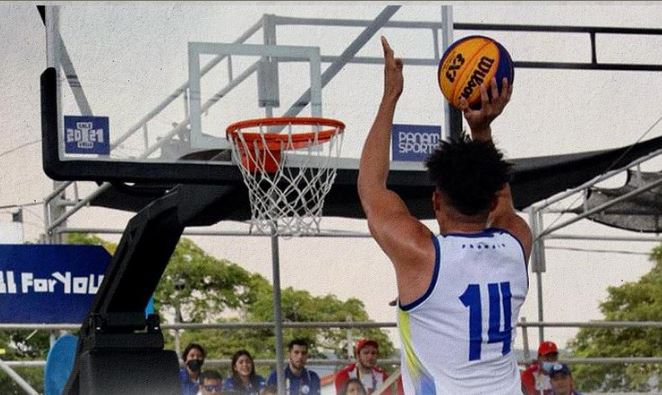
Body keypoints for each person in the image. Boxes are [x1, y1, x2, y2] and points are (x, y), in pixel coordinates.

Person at [357, 36, 531, 394]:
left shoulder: (420, 255)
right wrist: (481, 128)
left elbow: (371, 187)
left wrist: (391, 95)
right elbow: (499, 198)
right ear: (492, 198)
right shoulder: (517, 241)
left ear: (436, 201)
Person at [334, 338, 401, 395]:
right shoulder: (343, 376)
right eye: (366, 353)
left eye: (373, 353)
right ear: (358, 355)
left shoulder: (383, 377)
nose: (370, 357)